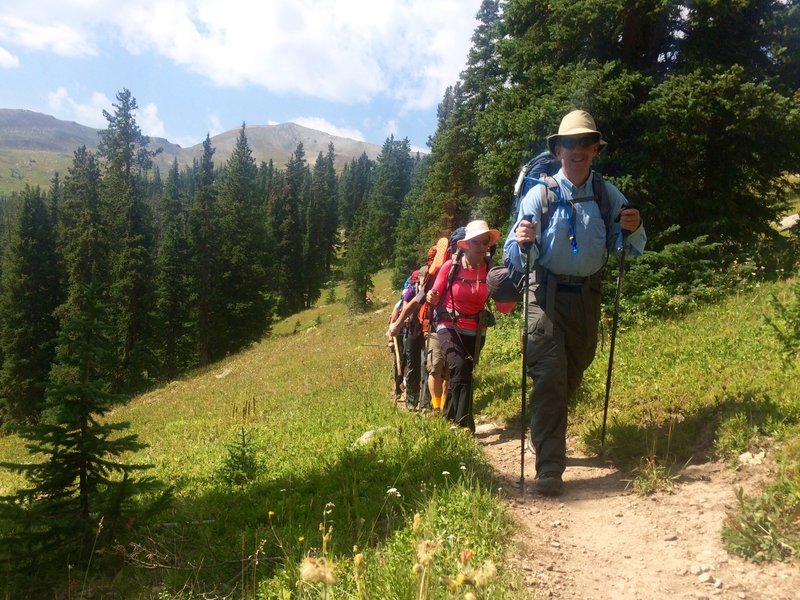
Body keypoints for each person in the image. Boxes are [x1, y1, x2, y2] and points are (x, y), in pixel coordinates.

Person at [503, 110, 646, 496]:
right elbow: (513, 257)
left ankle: (543, 430)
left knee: (575, 368)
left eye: (585, 143)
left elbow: (630, 248)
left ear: (595, 149)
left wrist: (631, 229)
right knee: (550, 377)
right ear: (558, 149)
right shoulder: (540, 193)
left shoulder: (605, 193)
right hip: (544, 297)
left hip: (587, 297)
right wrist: (521, 241)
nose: (577, 150)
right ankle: (549, 467)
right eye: (569, 143)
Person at [427, 220, 500, 433]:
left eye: (484, 241)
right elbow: (435, 295)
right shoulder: (451, 267)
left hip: (476, 328)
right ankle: (464, 424)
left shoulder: (492, 270)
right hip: (448, 323)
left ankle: (450, 421)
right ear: (465, 244)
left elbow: (503, 306)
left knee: (465, 371)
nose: (480, 245)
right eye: (475, 241)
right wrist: (432, 296)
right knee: (459, 366)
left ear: (488, 244)